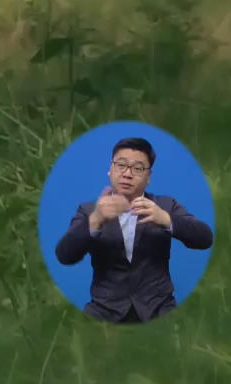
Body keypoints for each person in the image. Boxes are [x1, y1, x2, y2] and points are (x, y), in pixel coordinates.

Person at [54, 136, 214, 324]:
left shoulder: (165, 205)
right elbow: (64, 255)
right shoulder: (89, 211)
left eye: (138, 168)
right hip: (104, 311)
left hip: (158, 309)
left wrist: (166, 219)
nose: (127, 174)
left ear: (148, 177)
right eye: (121, 165)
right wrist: (95, 219)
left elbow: (205, 238)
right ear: (110, 170)